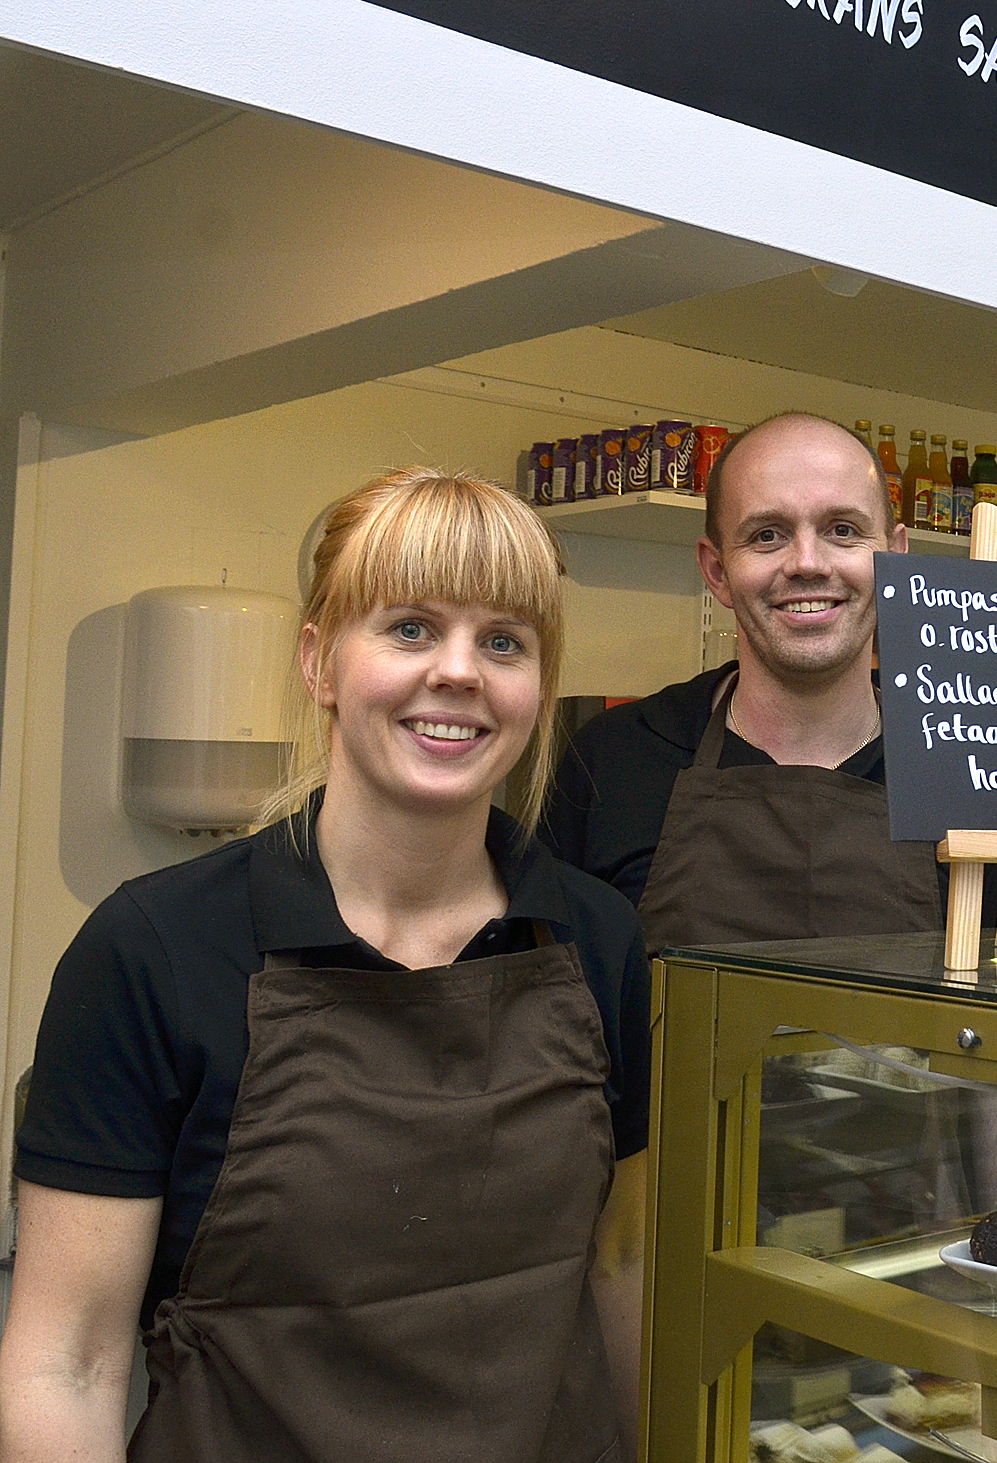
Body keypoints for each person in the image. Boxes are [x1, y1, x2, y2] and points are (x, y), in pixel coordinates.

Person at [0, 470, 651, 1462]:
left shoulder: (598, 938)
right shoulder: (152, 949)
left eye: (504, 641)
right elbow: (66, 1362)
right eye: (410, 628)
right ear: (319, 662)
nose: (460, 671)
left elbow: (620, 1266)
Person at [542, 412, 997, 947]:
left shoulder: (970, 773)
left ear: (895, 558)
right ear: (717, 571)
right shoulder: (609, 761)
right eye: (767, 535)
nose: (807, 563)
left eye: (843, 530)